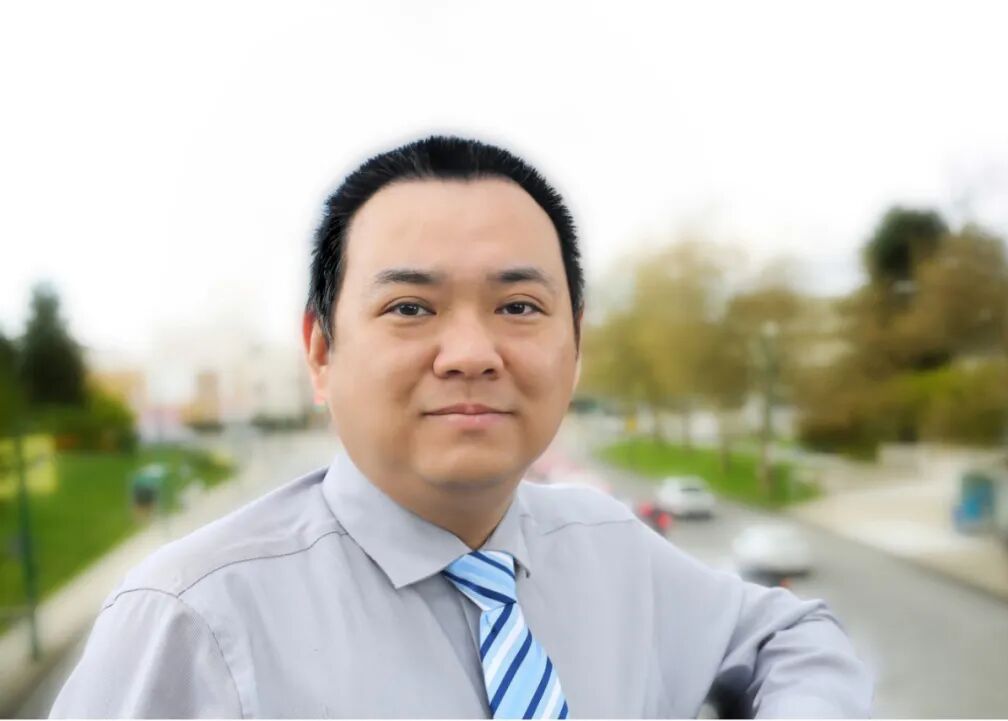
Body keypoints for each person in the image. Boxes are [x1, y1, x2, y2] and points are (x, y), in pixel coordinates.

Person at [50, 136, 873, 718]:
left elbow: (792, 634)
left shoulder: (609, 547)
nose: (473, 353)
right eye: (411, 307)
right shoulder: (189, 621)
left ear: (575, 345)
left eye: (519, 306)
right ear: (321, 350)